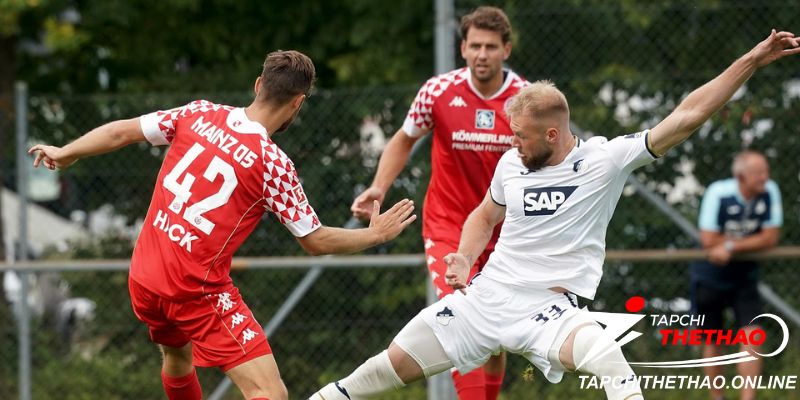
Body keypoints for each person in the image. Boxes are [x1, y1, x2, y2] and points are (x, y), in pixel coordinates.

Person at [311, 30, 800, 400]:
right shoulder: (511, 162)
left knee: (607, 355)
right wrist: (462, 258)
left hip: (549, 312)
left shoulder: (605, 160)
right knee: (382, 368)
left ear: (551, 135)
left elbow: (688, 114)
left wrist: (752, 60)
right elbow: (483, 217)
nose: (511, 143)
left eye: (520, 135)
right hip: (485, 300)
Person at [28, 50, 417, 400]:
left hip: (145, 276)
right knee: (269, 392)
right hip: (194, 290)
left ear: (258, 85)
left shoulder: (198, 113)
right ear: (298, 103)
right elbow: (315, 240)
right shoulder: (273, 163)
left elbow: (119, 132)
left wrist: (67, 152)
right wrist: (376, 234)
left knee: (178, 357)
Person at [349, 7, 527, 398]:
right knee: (465, 316)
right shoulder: (438, 91)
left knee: (495, 335)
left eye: (491, 47)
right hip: (447, 224)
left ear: (506, 50)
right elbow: (403, 139)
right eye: (475, 45)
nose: (482, 54)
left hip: (505, 231)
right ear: (462, 48)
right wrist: (380, 186)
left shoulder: (524, 100)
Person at [692, 150, 782, 400]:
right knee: (712, 337)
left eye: (766, 171)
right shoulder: (718, 193)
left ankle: (748, 398)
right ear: (741, 176)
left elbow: (771, 236)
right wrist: (750, 240)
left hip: (744, 275)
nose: (765, 177)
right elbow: (708, 239)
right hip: (709, 275)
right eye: (758, 173)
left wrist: (730, 246)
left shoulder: (769, 191)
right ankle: (717, 397)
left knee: (752, 332)